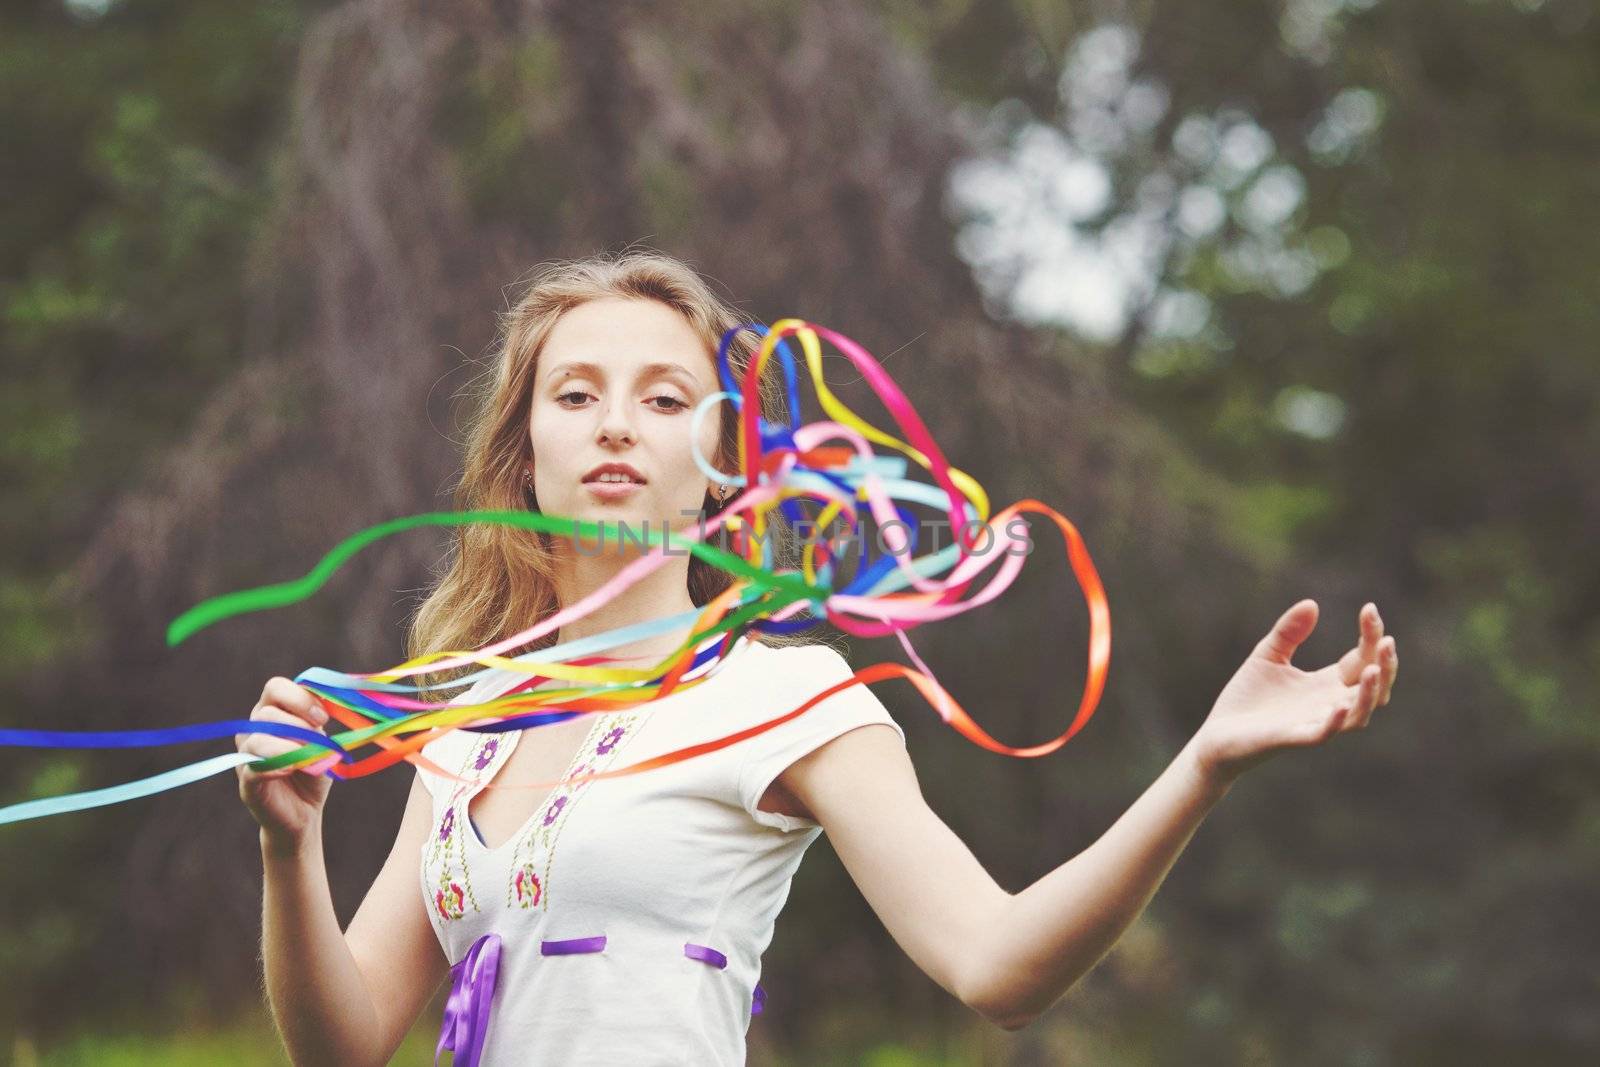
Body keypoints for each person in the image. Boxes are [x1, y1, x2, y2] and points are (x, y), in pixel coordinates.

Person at [234, 250, 1400, 1066]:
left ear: (724, 465)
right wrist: (293, 852)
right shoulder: (465, 716)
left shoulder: (780, 691)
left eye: (664, 396)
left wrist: (1204, 761)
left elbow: (999, 966)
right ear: (523, 452)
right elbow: (344, 1045)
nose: (615, 422)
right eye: (575, 392)